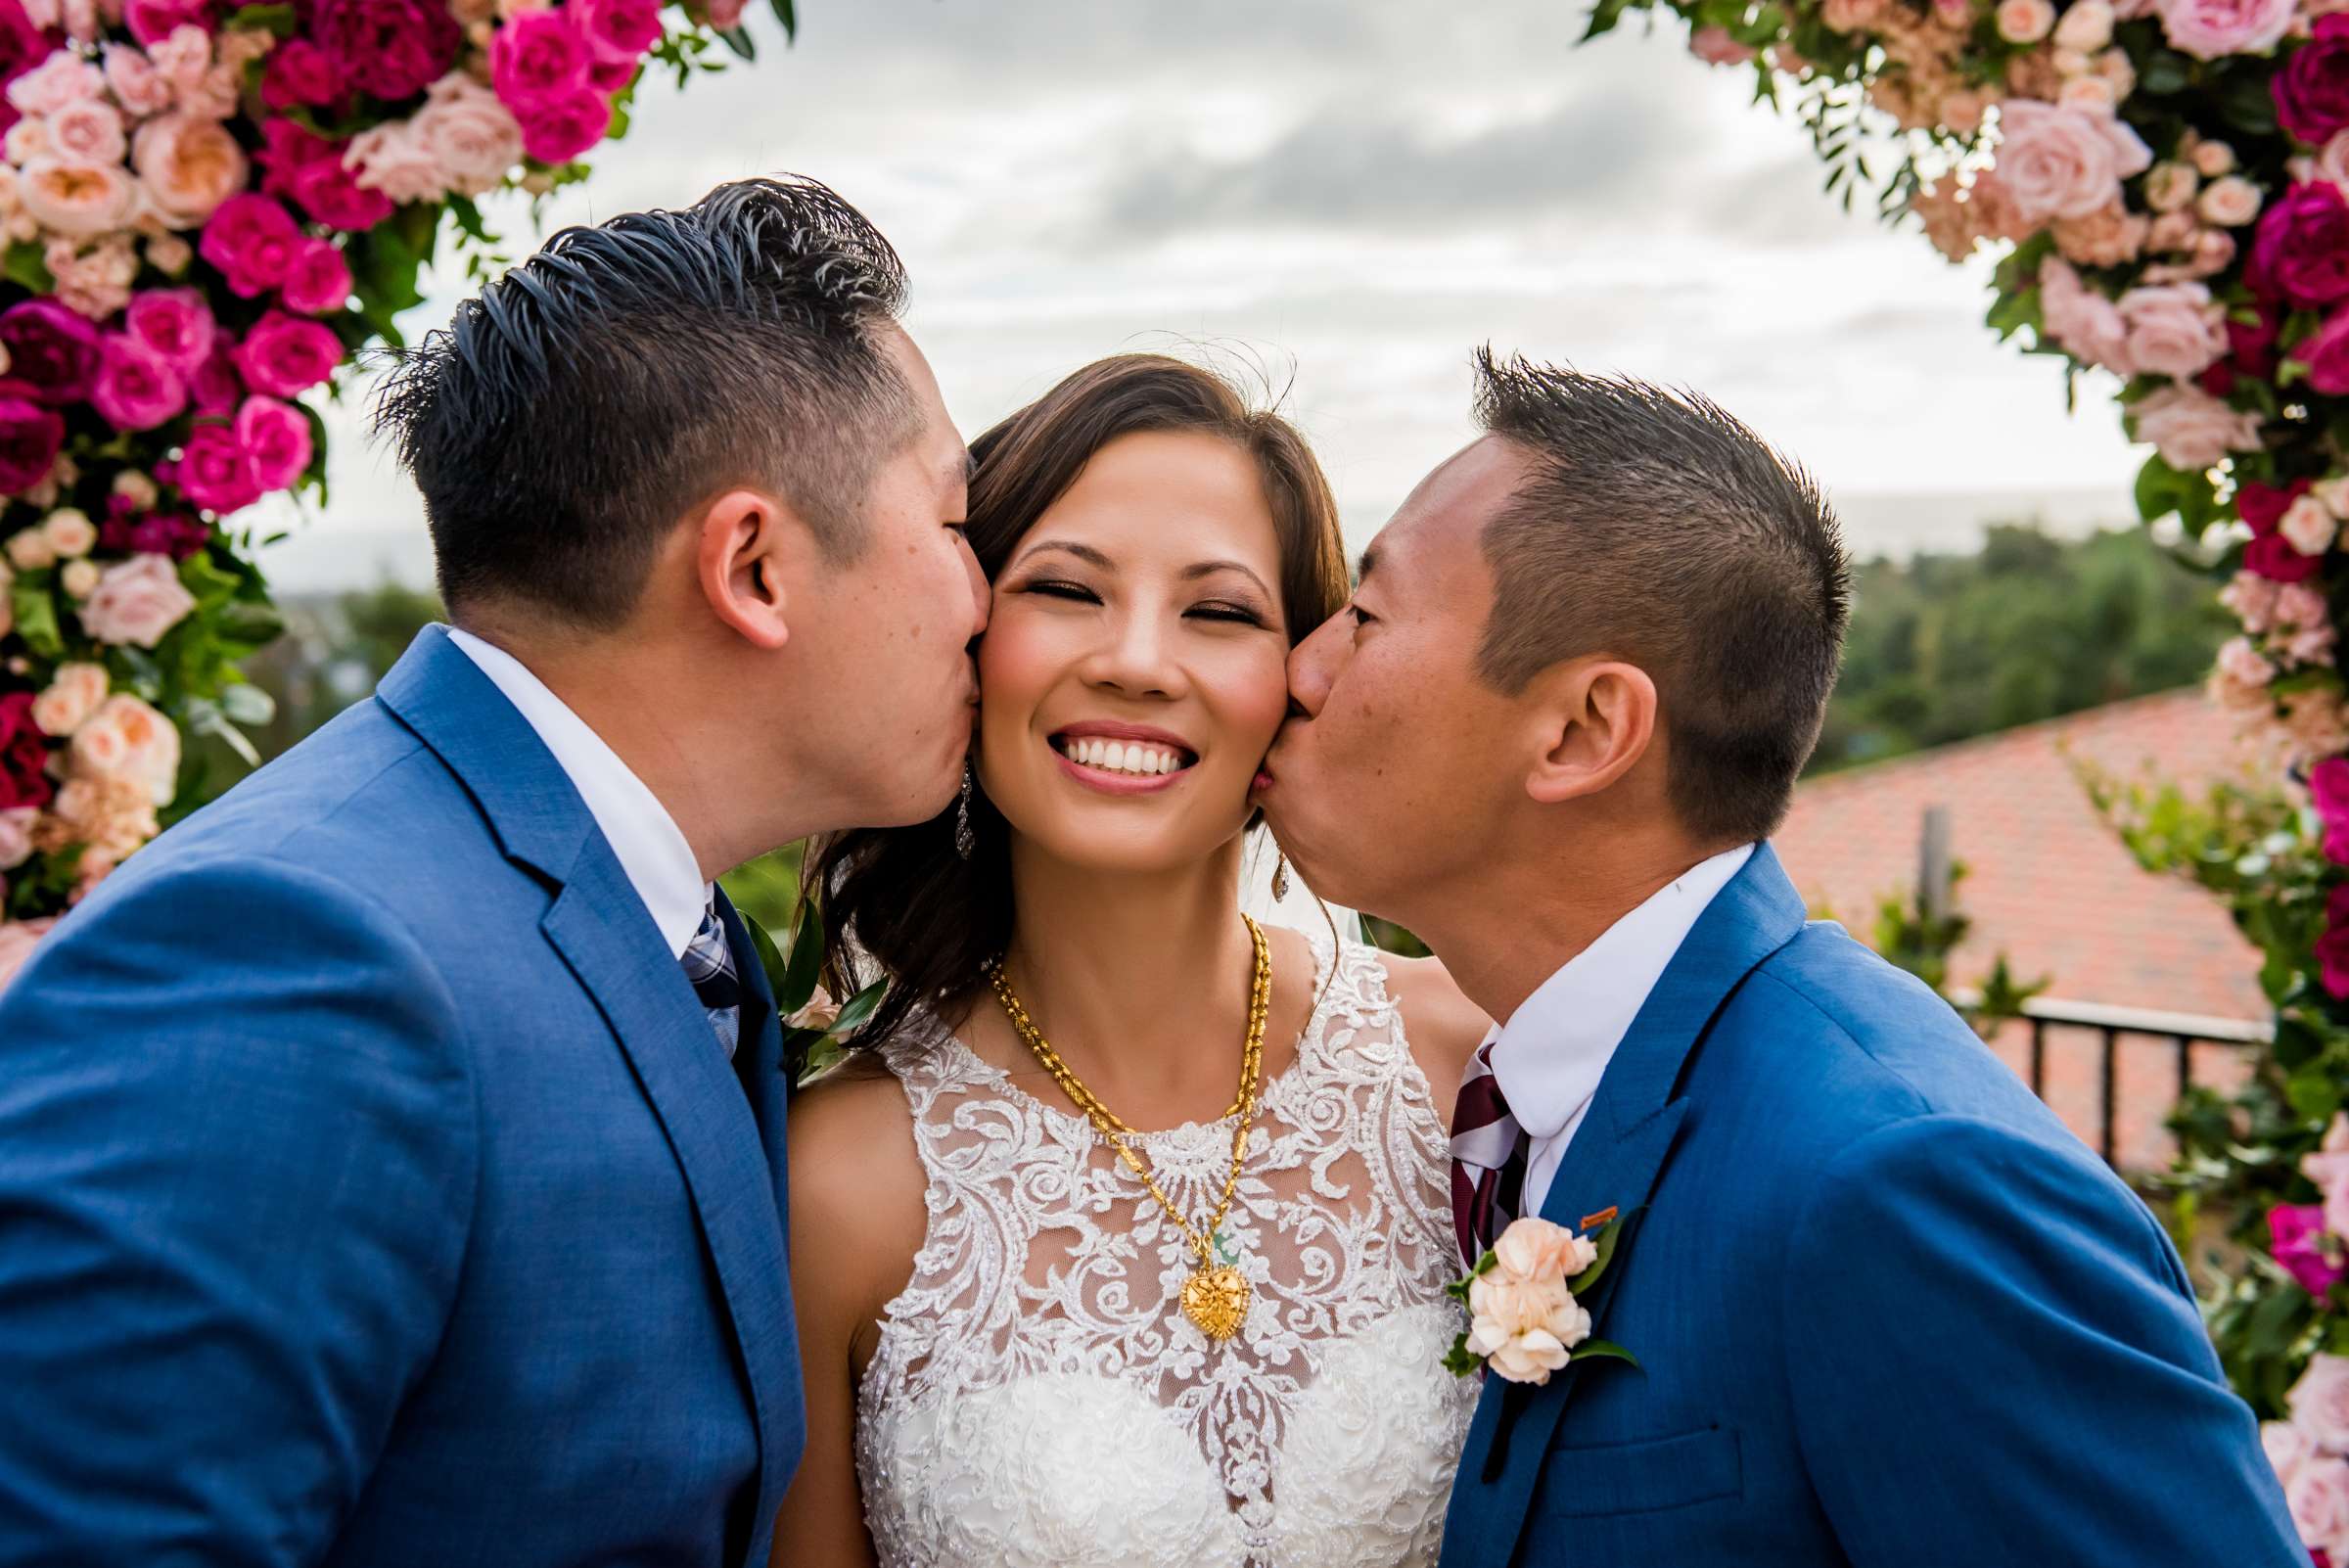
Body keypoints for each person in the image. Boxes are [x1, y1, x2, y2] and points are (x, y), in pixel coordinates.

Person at [0, 176, 987, 1568]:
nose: (982, 590)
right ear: (753, 566)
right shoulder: (297, 957)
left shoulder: (667, 922)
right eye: (951, 521)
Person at [1258, 350, 2304, 1567]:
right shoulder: (1528, 1093)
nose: (1303, 666)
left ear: (1583, 729)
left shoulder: (1901, 1185)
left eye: (1366, 618)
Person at [777, 353, 1495, 1568]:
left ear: (1302, 677)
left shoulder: (1466, 1063)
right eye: (1066, 591)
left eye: (1219, 612)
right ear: (966, 631)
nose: (1139, 663)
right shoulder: (837, 1186)